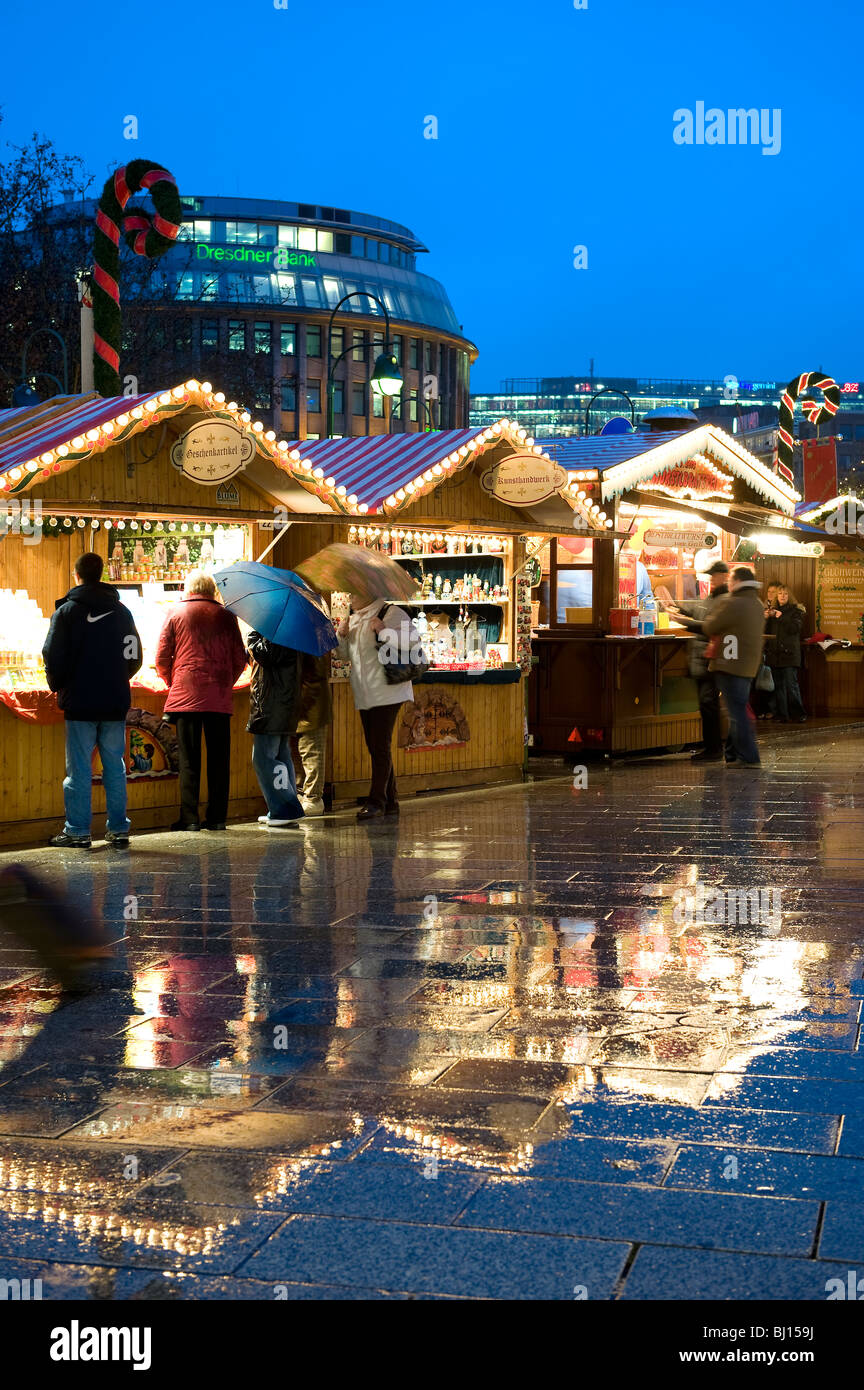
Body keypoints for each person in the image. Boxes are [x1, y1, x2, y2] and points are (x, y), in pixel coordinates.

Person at [42, 551, 142, 848]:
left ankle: (77, 830)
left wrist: (58, 685)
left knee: (79, 770)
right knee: (115, 767)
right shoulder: (122, 612)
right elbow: (134, 654)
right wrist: (118, 677)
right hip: (114, 701)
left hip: (80, 703)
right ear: (102, 574)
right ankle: (119, 829)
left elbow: (52, 654)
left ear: (77, 576)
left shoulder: (67, 613)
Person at [155, 571, 247, 831]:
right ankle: (217, 817)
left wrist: (173, 682)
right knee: (220, 760)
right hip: (218, 695)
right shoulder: (227, 615)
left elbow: (162, 657)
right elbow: (240, 658)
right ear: (212, 590)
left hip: (186, 696)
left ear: (188, 588)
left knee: (188, 759)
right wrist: (225, 681)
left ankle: (190, 817)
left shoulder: (175, 613)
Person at [337, 594, 415, 820]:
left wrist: (384, 631)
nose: (350, 597)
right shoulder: (354, 619)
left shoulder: (391, 613)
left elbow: (412, 641)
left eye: (353, 592)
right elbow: (343, 656)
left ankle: (376, 802)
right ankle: (390, 800)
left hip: (389, 690)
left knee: (380, 745)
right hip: (366, 690)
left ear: (367, 591)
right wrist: (341, 637)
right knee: (374, 744)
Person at [701, 565, 767, 768]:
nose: (728, 584)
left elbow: (710, 626)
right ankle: (733, 754)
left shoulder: (733, 602)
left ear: (737, 581)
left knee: (737, 713)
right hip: (748, 666)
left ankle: (749, 756)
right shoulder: (756, 603)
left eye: (730, 580)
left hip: (730, 665)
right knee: (736, 710)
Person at [664, 560, 729, 762]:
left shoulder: (725, 599)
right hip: (702, 658)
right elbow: (699, 613)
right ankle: (712, 747)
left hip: (711, 658)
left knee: (708, 702)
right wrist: (679, 609)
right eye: (710, 575)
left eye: (714, 575)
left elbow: (709, 626)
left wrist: (685, 622)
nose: (711, 579)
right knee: (706, 703)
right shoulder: (711, 597)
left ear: (724, 576)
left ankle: (714, 748)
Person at [246, 630, 305, 830]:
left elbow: (267, 655)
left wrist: (252, 638)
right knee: (280, 755)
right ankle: (284, 806)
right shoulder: (290, 630)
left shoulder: (278, 631)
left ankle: (284, 808)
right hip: (283, 703)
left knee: (264, 758)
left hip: (272, 705)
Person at [293, 652, 332, 816]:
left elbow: (316, 674)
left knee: (311, 753)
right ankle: (302, 794)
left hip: (310, 704)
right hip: (300, 704)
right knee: (298, 754)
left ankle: (313, 798)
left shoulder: (312, 640)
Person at [765, 585, 807, 723]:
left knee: (791, 685)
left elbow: (795, 629)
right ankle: (782, 715)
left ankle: (799, 714)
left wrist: (781, 617)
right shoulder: (772, 612)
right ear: (776, 596)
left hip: (789, 654)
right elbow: (766, 632)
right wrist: (765, 618)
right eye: (780, 594)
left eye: (785, 594)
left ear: (790, 596)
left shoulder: (796, 611)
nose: (782, 596)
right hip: (774, 654)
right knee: (778, 686)